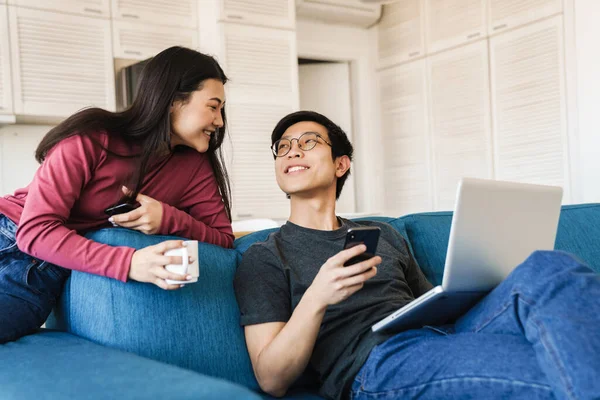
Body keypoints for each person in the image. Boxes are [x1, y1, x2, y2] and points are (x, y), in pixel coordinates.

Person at [233, 110, 600, 400]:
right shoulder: (264, 256)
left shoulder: (383, 233)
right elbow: (272, 379)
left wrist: (477, 282)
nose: (292, 150)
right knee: (544, 366)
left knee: (550, 266)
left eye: (308, 141)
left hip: (442, 336)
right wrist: (316, 297)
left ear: (341, 164)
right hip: (378, 363)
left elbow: (430, 304)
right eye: (283, 146)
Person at [0, 46, 235, 343]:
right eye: (213, 107)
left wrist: (168, 218)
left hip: (46, 270)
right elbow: (34, 231)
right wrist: (130, 264)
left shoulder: (194, 167)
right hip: (7, 228)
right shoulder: (93, 137)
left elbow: (225, 240)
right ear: (174, 101)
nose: (220, 121)